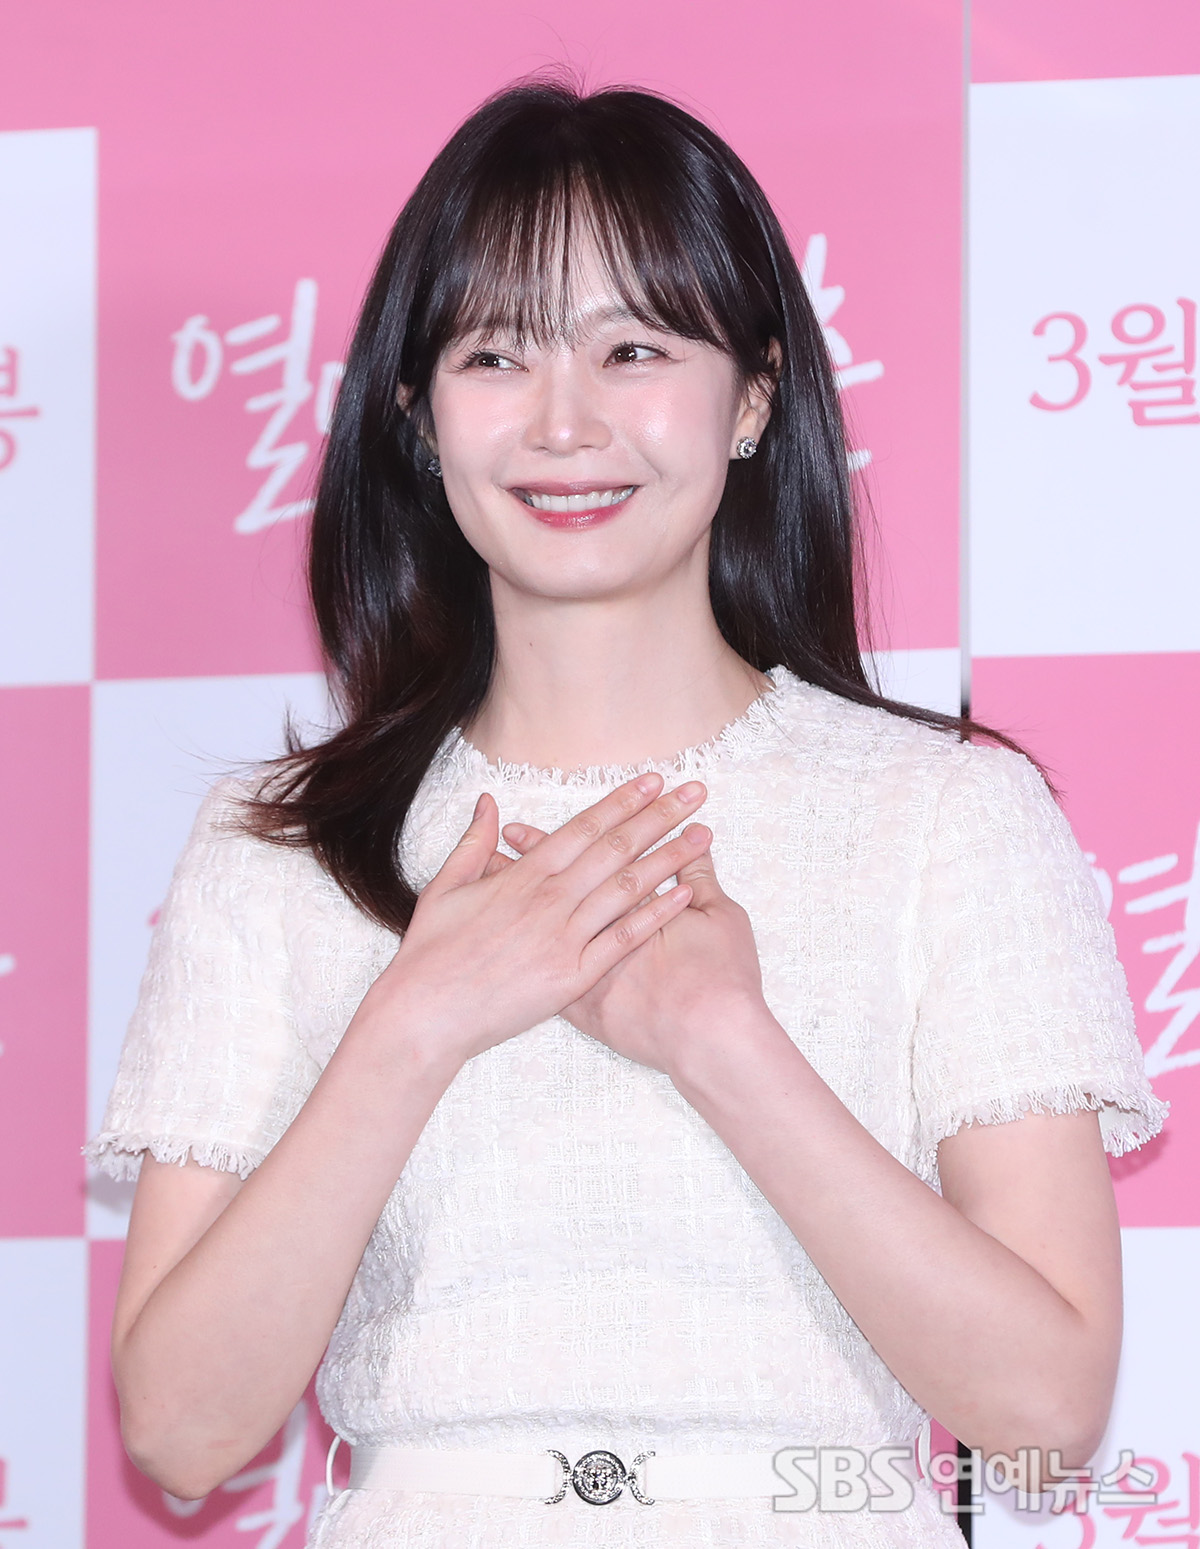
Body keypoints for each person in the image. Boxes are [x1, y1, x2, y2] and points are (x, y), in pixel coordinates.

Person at [88, 77, 1166, 1548]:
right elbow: (181, 1433)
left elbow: (1043, 1416)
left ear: (755, 397)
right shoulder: (279, 842)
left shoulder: (946, 815)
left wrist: (723, 1041)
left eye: (635, 348)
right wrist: (417, 1019)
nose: (564, 421)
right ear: (418, 417)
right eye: (494, 355)